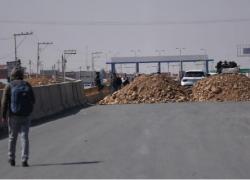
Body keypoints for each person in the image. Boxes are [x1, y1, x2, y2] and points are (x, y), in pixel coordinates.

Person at [1, 67, 35, 167]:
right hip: (26, 115)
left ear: (12, 75)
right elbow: (33, 100)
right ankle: (24, 159)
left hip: (14, 116)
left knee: (12, 137)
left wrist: (3, 115)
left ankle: (11, 158)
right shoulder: (27, 84)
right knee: (24, 137)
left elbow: (4, 102)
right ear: (21, 75)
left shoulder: (9, 86)